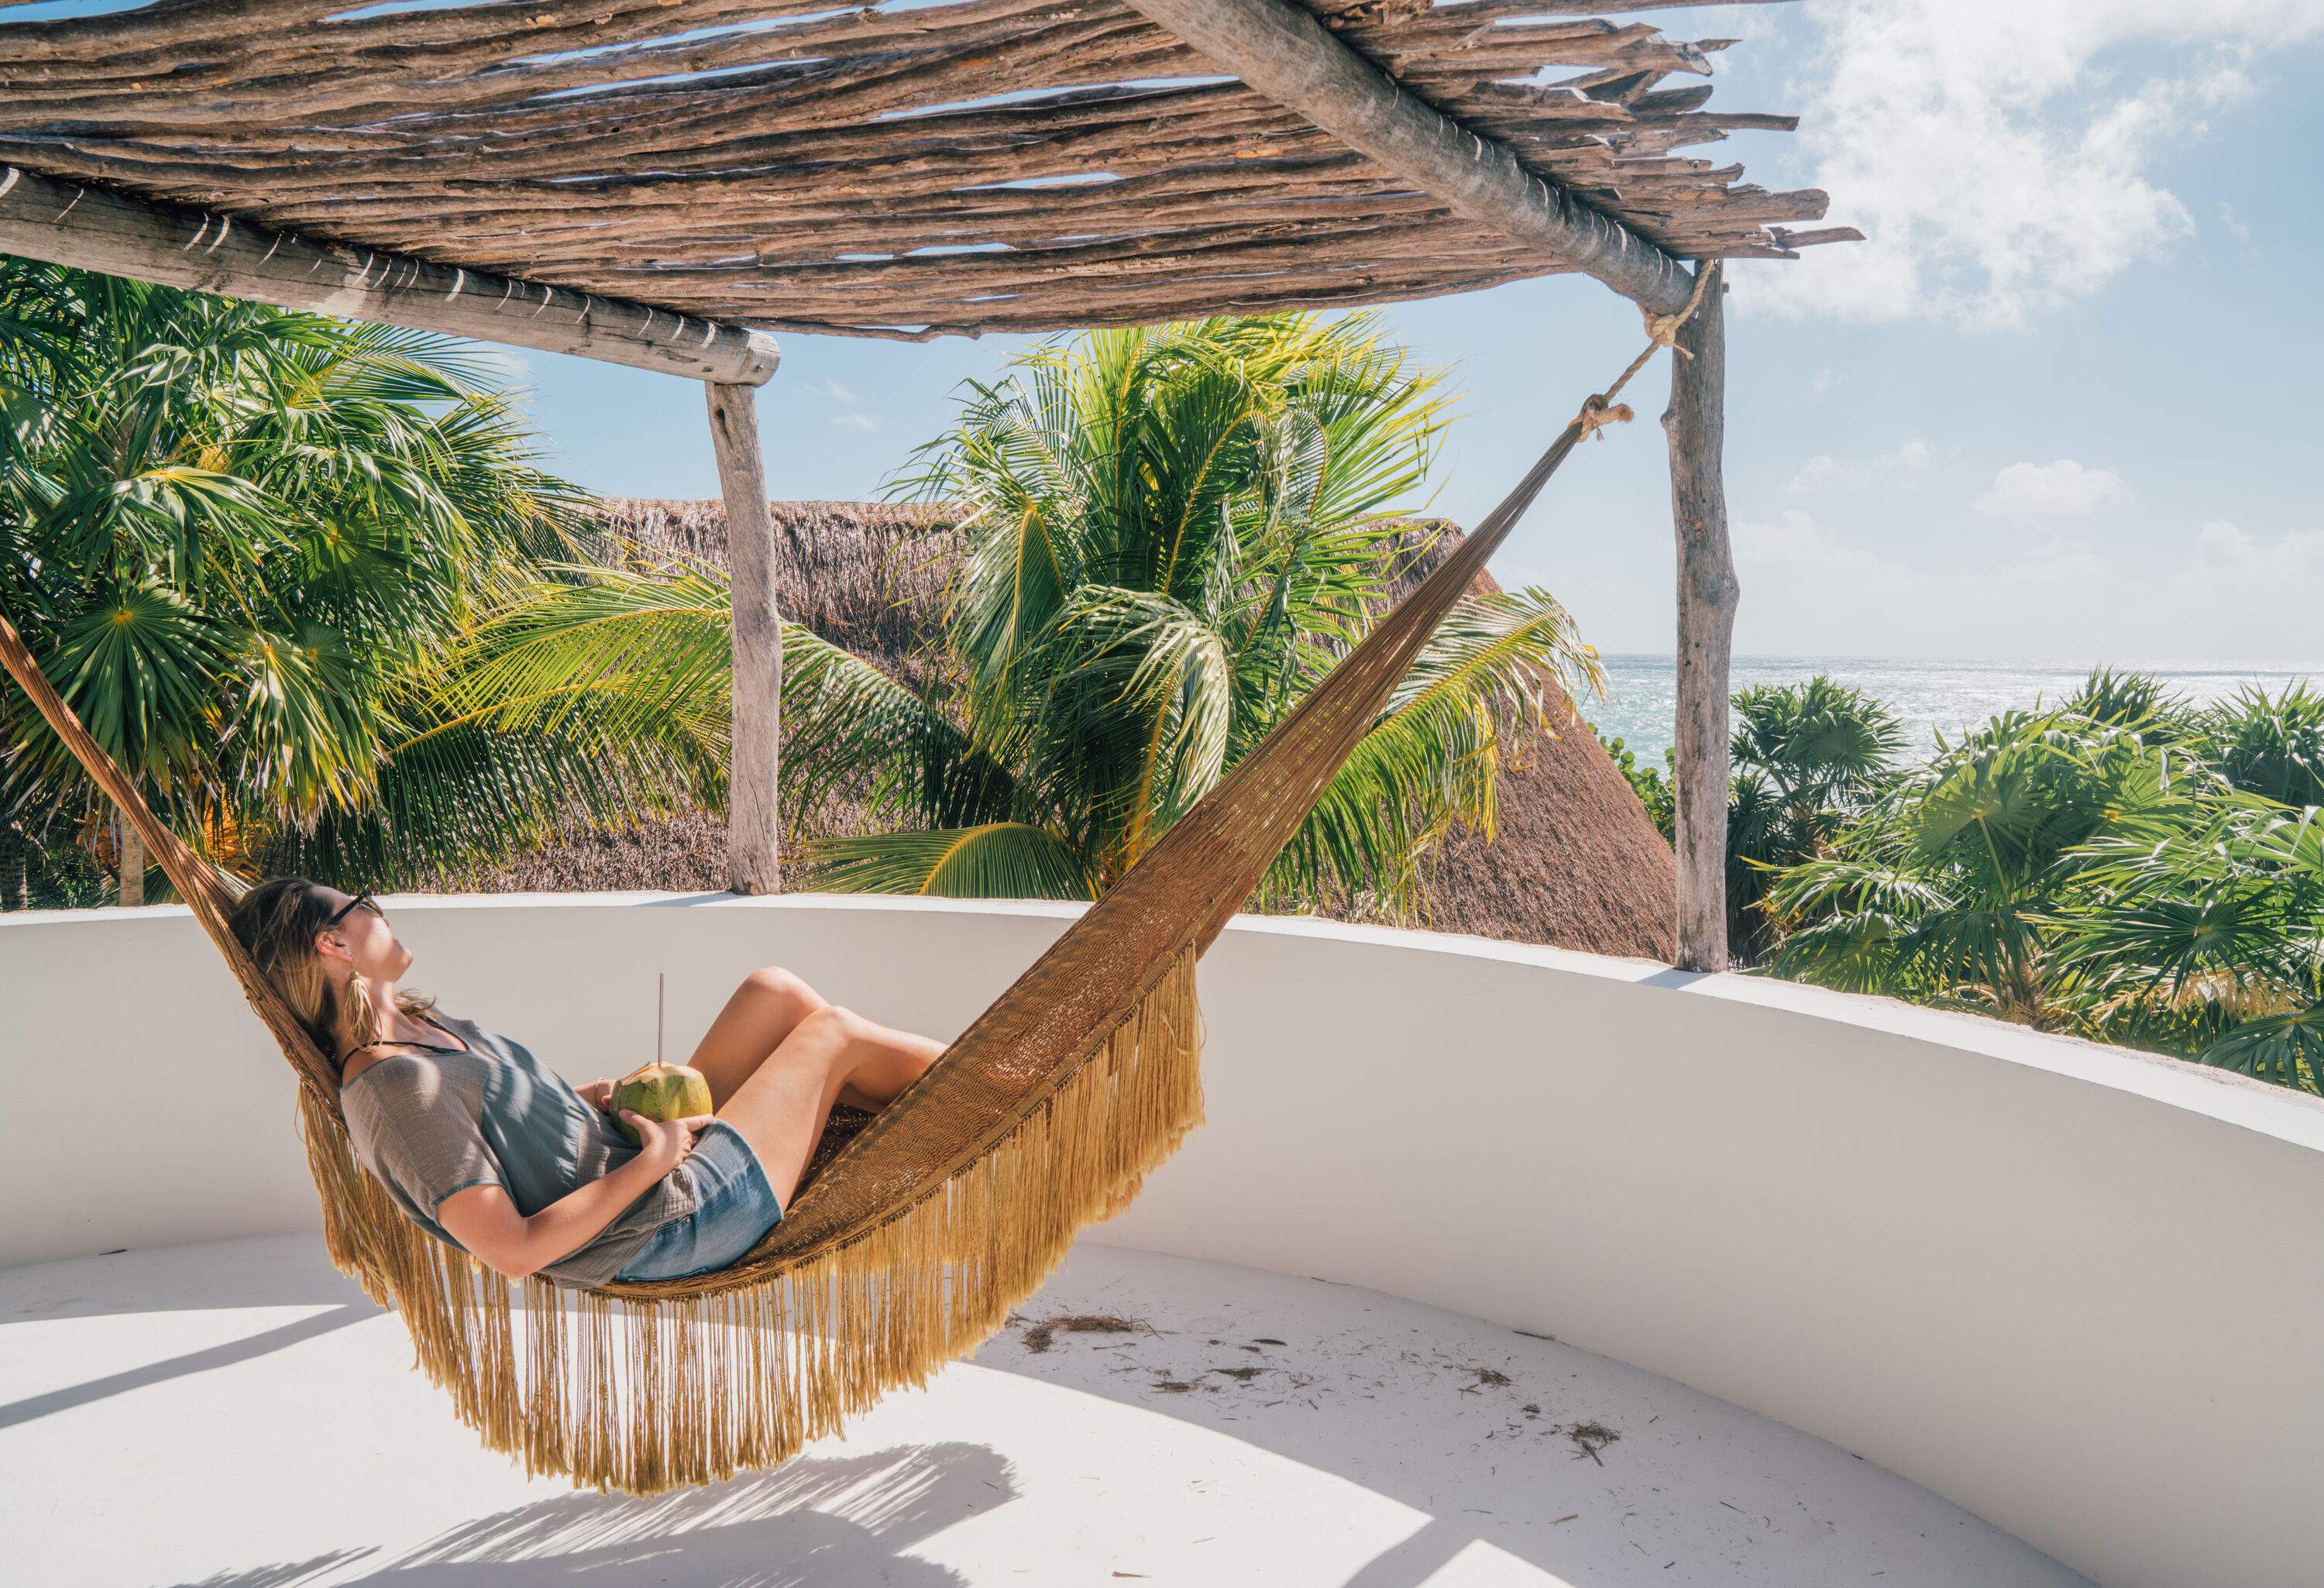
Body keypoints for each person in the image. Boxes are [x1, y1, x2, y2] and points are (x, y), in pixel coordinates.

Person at [224, 878, 944, 1287]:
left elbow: (509, 1134)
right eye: (364, 904)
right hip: (671, 1220)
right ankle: (989, 1093)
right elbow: (512, 1250)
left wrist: (586, 1102)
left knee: (775, 992)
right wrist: (661, 1158)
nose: (380, 911)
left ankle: (912, 1132)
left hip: (640, 1159)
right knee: (834, 1035)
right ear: (334, 944)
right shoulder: (394, 1090)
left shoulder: (418, 1026)